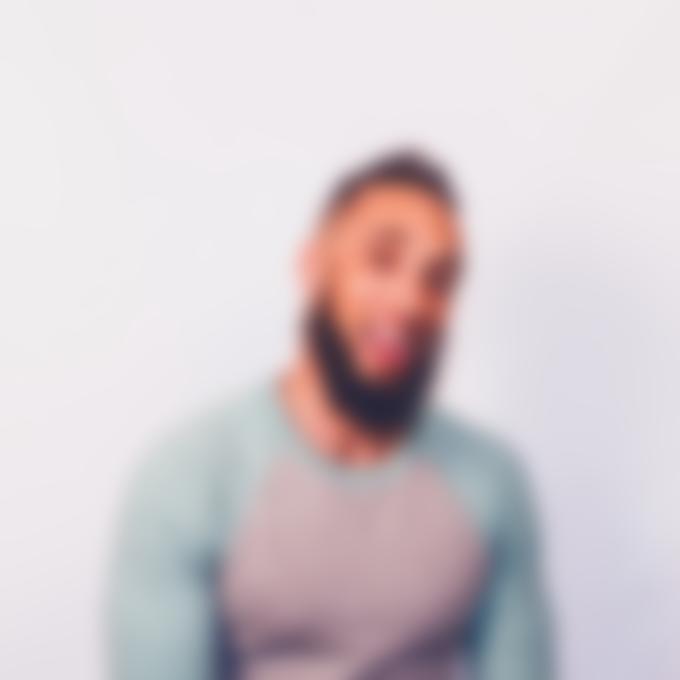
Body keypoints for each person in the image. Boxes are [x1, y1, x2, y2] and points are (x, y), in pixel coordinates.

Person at [111, 150, 552, 679]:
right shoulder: (189, 474)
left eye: (438, 279)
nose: (410, 300)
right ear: (314, 266)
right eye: (382, 260)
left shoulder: (490, 480)